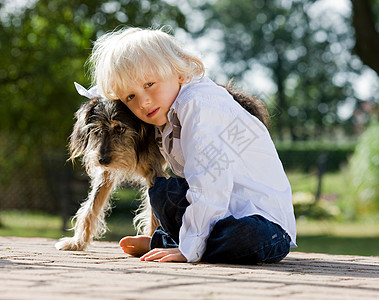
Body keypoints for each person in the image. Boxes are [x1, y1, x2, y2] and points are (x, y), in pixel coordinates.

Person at [89, 26, 297, 264]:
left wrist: (190, 250)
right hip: (219, 214)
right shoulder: (167, 113)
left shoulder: (199, 106)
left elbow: (210, 181)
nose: (144, 102)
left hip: (263, 223)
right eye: (130, 97)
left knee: (248, 237)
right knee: (163, 192)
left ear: (179, 73)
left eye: (149, 84)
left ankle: (176, 242)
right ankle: (181, 239)